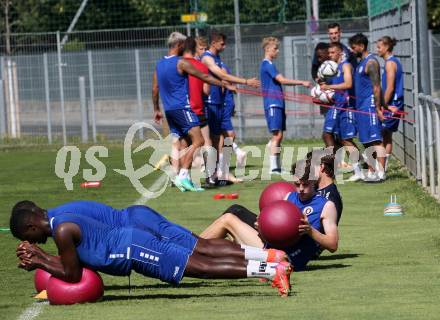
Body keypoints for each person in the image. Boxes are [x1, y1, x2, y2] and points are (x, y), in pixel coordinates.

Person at [11, 201, 293, 297]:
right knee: (201, 251)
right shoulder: (62, 217)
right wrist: (43, 257)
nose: (34, 243)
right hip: (134, 233)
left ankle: (271, 270)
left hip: (133, 246)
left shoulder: (61, 230)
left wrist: (40, 261)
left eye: (29, 238)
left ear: (31, 228)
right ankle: (269, 260)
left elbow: (72, 275)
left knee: (202, 266)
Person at [200, 159, 339, 272]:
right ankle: (191, 252)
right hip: (270, 247)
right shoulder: (289, 196)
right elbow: (276, 228)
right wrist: (261, 227)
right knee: (231, 219)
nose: (301, 189)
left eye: (306, 184)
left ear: (314, 181)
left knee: (227, 220)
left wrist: (310, 231)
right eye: (297, 184)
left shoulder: (326, 206)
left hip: (287, 259)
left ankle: (189, 251)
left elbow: (333, 245)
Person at [152, 32, 233, 192]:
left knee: (183, 143)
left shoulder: (159, 64)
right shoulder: (181, 62)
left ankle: (184, 180)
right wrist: (222, 83)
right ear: (179, 45)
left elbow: (155, 89)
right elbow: (203, 76)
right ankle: (183, 174)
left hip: (169, 111)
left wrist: (156, 109)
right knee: (199, 141)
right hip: (183, 108)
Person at [201, 31, 259, 185]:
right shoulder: (207, 58)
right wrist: (246, 81)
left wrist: (231, 88)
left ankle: (222, 171)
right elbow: (223, 76)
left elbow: (224, 80)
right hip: (211, 104)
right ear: (213, 43)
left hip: (220, 104)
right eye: (222, 44)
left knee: (228, 137)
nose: (225, 46)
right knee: (214, 140)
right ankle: (211, 175)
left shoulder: (217, 58)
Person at [260, 37, 311, 174]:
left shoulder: (271, 64)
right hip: (273, 103)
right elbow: (281, 80)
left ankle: (276, 164)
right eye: (275, 49)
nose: (278, 51)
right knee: (277, 135)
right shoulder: (267, 64)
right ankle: (273, 167)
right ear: (267, 49)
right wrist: (301, 82)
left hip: (278, 102)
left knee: (279, 135)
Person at [320, 43, 362, 181]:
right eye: (329, 52)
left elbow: (348, 84)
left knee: (346, 139)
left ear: (340, 52)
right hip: (338, 106)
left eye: (333, 52)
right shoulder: (334, 68)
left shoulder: (345, 65)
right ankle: (335, 165)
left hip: (347, 107)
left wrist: (329, 86)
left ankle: (359, 169)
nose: (330, 55)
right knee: (331, 136)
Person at [349, 33, 386, 182]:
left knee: (376, 139)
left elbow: (377, 87)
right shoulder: (360, 63)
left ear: (362, 46)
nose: (352, 50)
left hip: (370, 105)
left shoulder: (371, 62)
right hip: (361, 106)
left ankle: (382, 173)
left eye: (354, 47)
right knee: (366, 140)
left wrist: (378, 107)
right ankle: (371, 172)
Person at [376, 36, 404, 171]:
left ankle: (380, 169)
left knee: (380, 136)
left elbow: (390, 87)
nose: (377, 50)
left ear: (386, 47)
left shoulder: (390, 63)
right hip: (394, 105)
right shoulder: (392, 62)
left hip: (392, 105)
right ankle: (383, 168)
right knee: (386, 136)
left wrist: (382, 105)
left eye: (379, 47)